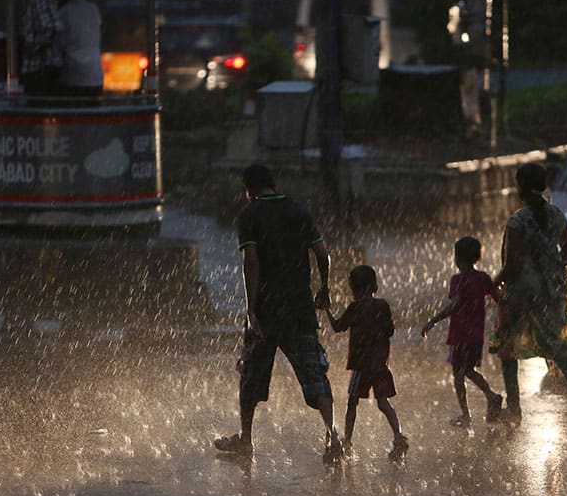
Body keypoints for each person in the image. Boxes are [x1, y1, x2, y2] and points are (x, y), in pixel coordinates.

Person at [213, 165, 344, 463]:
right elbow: (323, 254)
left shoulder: (249, 216)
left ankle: (246, 441)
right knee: (314, 372)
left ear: (249, 190)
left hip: (267, 312)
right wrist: (323, 288)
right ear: (274, 183)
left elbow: (252, 263)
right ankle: (333, 437)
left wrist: (250, 311)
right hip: (299, 308)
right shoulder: (298, 210)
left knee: (251, 376)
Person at [492, 162, 567, 432]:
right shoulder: (557, 215)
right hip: (552, 294)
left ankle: (514, 409)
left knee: (508, 348)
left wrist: (492, 284)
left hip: (522, 295)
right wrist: (554, 273)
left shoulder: (517, 222)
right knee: (560, 346)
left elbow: (512, 266)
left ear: (521, 188)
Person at [324, 265, 409, 461]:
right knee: (383, 402)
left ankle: (347, 442)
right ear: (373, 285)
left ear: (355, 288)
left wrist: (327, 309)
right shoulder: (382, 305)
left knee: (352, 403)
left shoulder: (355, 308)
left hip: (362, 366)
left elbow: (337, 327)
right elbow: (390, 331)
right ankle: (398, 436)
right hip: (380, 365)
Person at [421, 237, 504, 428]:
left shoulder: (457, 280)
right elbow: (500, 299)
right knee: (468, 371)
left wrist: (432, 321)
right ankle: (490, 398)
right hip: (475, 335)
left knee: (459, 375)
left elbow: (455, 304)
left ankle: (470, 412)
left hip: (460, 335)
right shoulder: (483, 278)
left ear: (458, 258)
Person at [57, 0, 103, 97]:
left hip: (73, 75)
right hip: (96, 75)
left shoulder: (65, 11)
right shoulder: (93, 9)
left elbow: (59, 41)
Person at [21, 0, 63, 96]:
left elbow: (54, 28)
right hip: (41, 68)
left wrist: (37, 48)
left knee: (39, 106)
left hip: (41, 67)